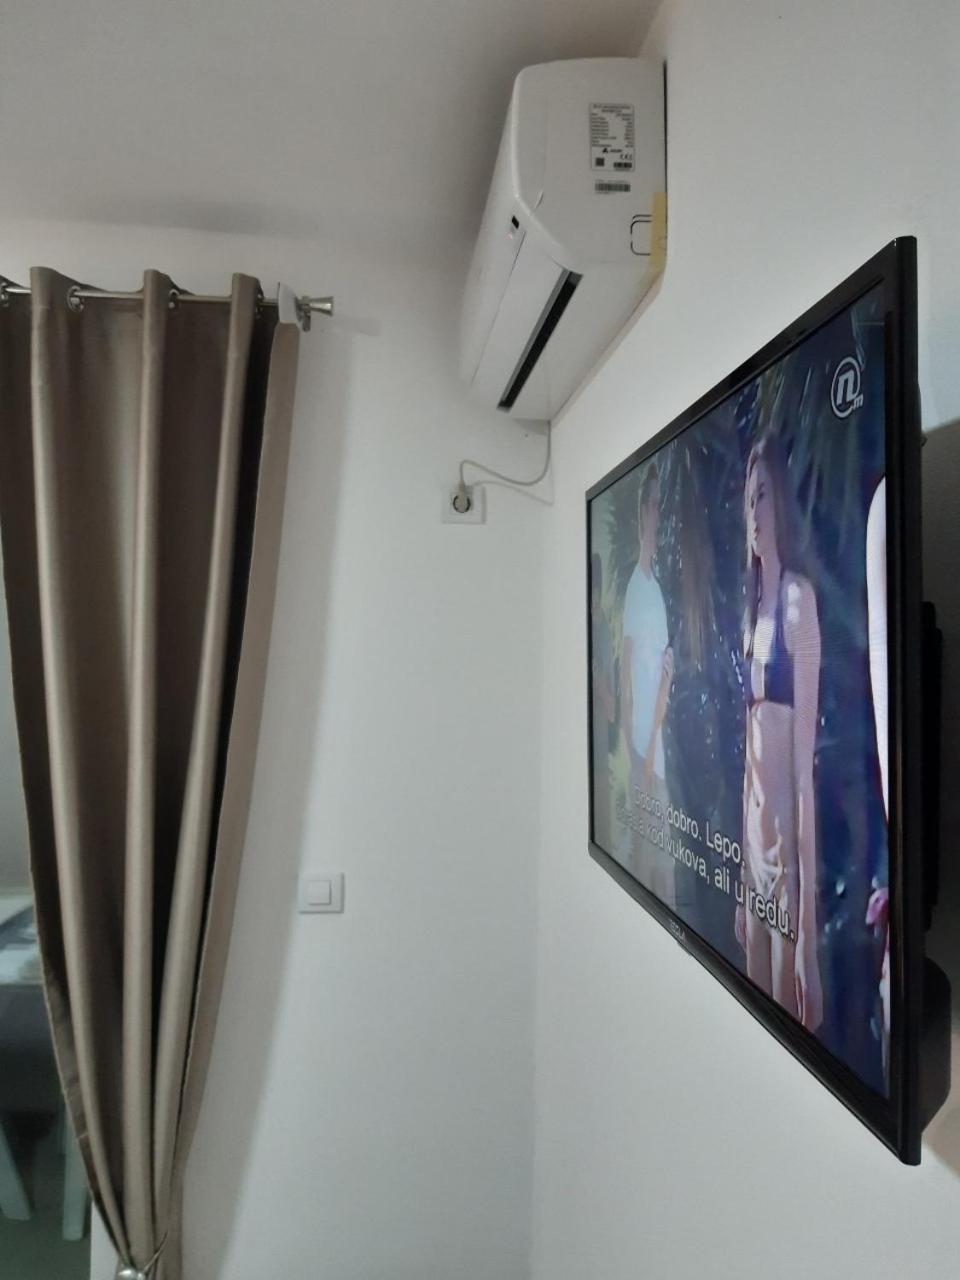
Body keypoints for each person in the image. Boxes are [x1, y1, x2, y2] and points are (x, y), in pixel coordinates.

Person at [735, 434, 823, 1032]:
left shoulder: (798, 601)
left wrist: (808, 935)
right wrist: (741, 876)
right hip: (753, 859)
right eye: (748, 499)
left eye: (763, 495)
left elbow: (803, 777)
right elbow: (750, 761)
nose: (754, 511)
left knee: (790, 1030)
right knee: (754, 1022)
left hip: (787, 868)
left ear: (781, 502)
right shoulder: (751, 613)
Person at [620, 462, 675, 908]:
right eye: (654, 505)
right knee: (652, 875)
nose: (659, 514)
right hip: (645, 755)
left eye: (662, 506)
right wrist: (638, 756)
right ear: (642, 512)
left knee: (662, 879)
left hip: (656, 756)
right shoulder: (635, 589)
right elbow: (625, 679)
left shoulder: (656, 588)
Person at [590, 553, 617, 851]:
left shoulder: (602, 631)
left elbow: (611, 707)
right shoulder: (594, 627)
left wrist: (599, 682)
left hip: (598, 741)